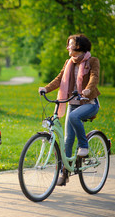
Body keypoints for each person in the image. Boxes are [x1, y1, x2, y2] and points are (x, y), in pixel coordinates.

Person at [38, 34, 100, 186]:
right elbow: (60, 79)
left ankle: (84, 146)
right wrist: (46, 88)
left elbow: (94, 77)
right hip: (72, 102)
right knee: (67, 141)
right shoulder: (69, 62)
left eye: (70, 45)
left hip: (89, 103)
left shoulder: (92, 61)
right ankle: (64, 172)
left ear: (79, 46)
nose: (67, 48)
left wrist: (87, 90)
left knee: (73, 117)